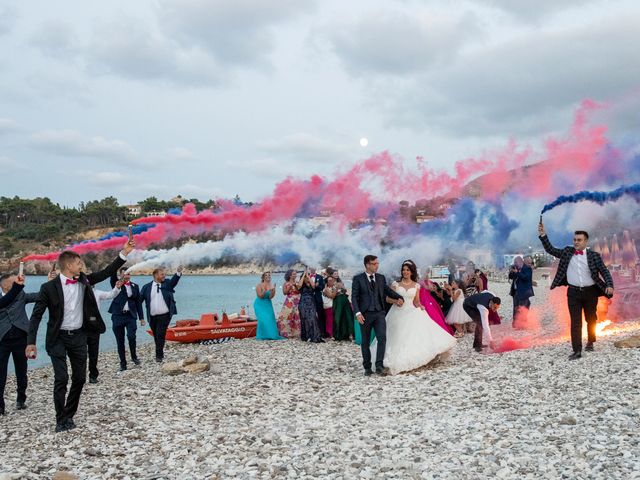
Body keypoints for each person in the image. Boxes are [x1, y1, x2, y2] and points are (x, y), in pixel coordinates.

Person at [26, 240, 133, 432]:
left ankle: (69, 414)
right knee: (61, 378)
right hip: (57, 338)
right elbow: (36, 316)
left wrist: (124, 253)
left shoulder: (84, 281)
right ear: (68, 265)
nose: (81, 266)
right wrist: (31, 342)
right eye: (78, 264)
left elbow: (106, 272)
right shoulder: (48, 288)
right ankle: (60, 419)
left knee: (79, 379)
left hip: (78, 337)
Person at [538, 221, 614, 360]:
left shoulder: (594, 256)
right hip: (573, 293)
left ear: (586, 241)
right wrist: (543, 235)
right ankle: (577, 350)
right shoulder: (567, 252)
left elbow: (604, 271)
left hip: (591, 292)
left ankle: (591, 341)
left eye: (579, 240)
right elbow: (551, 250)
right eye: (574, 240)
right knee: (575, 322)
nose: (576, 242)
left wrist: (609, 285)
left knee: (591, 318)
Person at [371, 260, 456, 375]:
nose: (405, 272)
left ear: (412, 272)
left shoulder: (416, 286)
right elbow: (387, 299)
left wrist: (421, 306)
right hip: (397, 313)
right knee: (396, 336)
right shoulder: (396, 284)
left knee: (414, 336)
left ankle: (414, 357)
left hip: (411, 312)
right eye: (403, 270)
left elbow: (416, 301)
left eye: (407, 270)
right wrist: (395, 300)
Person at [351, 255, 404, 376]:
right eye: (374, 263)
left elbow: (387, 290)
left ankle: (379, 365)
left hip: (379, 313)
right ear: (367, 265)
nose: (377, 265)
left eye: (377, 263)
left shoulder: (380, 278)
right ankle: (367, 367)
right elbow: (354, 297)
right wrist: (357, 313)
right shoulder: (358, 279)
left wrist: (399, 297)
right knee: (365, 341)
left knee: (382, 338)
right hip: (365, 314)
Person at [0, 273, 35, 416]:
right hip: (2, 341)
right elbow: (6, 301)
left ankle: (21, 398)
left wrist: (51, 283)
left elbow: (38, 296)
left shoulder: (21, 295)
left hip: (21, 339)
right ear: (7, 284)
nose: (18, 282)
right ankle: (0, 406)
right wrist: (17, 287)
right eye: (15, 281)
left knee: (21, 370)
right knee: (0, 374)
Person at [140, 266, 183, 363]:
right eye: (162, 274)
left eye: (164, 274)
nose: (164, 276)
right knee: (156, 335)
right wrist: (139, 315)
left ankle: (159, 356)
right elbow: (139, 301)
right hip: (151, 317)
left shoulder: (167, 284)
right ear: (156, 275)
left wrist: (178, 273)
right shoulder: (146, 287)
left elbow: (174, 281)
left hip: (165, 316)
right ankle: (160, 353)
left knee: (160, 335)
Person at [109, 268, 145, 372]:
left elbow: (138, 303)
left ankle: (134, 357)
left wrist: (141, 318)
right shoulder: (116, 284)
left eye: (128, 274)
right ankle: (123, 364)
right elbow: (112, 276)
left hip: (131, 316)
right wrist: (117, 266)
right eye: (125, 274)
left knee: (131, 336)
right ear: (120, 274)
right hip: (117, 316)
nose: (127, 275)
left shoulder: (135, 286)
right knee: (120, 341)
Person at [419, 268, 454, 335]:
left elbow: (431, 288)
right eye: (426, 273)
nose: (426, 274)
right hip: (423, 299)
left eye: (427, 273)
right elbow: (427, 287)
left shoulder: (428, 281)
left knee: (434, 313)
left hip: (428, 298)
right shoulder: (421, 281)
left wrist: (428, 280)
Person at [254, 272, 284, 340]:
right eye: (266, 275)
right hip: (259, 304)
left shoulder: (271, 285)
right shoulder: (259, 285)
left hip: (268, 303)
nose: (268, 276)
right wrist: (265, 290)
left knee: (270, 318)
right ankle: (262, 336)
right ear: (263, 277)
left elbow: (270, 297)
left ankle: (272, 335)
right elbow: (260, 296)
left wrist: (273, 291)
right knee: (262, 319)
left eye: (269, 275)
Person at [297, 268, 324, 343]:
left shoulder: (311, 283)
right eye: (305, 277)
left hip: (311, 302)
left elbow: (314, 286)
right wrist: (303, 275)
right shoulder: (301, 285)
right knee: (304, 319)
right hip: (303, 302)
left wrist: (308, 276)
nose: (307, 278)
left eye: (308, 277)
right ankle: (306, 336)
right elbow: (299, 286)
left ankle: (314, 335)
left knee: (312, 318)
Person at [508, 256, 534, 328]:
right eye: (514, 262)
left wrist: (517, 273)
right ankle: (516, 324)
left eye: (516, 262)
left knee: (522, 308)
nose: (515, 263)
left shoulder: (528, 268)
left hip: (524, 292)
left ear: (521, 262)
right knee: (515, 308)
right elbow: (510, 277)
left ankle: (522, 324)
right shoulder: (516, 268)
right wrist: (511, 271)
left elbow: (525, 278)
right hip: (515, 291)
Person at [276, 270, 301, 338]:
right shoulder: (285, 283)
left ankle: (296, 333)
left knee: (297, 316)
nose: (295, 275)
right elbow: (284, 293)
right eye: (293, 274)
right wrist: (290, 287)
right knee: (287, 316)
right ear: (290, 275)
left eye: (295, 274)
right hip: (289, 301)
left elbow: (299, 291)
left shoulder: (298, 282)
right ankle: (286, 333)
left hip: (298, 300)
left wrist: (296, 286)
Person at [331, 270, 355, 341]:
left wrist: (343, 288)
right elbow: (332, 294)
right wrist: (336, 288)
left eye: (337, 273)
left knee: (348, 316)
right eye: (335, 273)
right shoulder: (330, 282)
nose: (336, 275)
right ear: (332, 275)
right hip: (337, 301)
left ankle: (350, 334)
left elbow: (345, 291)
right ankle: (338, 335)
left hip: (344, 299)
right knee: (338, 317)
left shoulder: (341, 282)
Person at [308, 267, 327, 337]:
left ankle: (322, 332)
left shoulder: (320, 277)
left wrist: (317, 286)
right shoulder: (306, 277)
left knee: (321, 315)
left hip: (318, 298)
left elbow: (322, 287)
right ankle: (311, 332)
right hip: (309, 299)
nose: (312, 269)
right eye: (311, 267)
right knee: (310, 315)